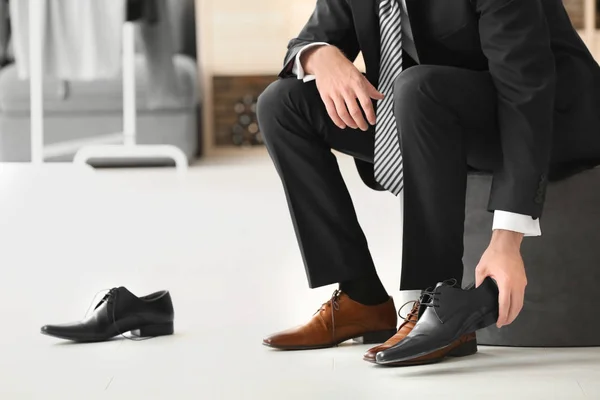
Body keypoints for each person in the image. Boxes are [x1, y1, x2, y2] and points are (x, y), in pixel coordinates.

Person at [256, 0, 600, 361]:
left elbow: (525, 93)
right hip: (433, 115)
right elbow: (308, 40)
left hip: (554, 114)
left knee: (418, 87)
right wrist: (319, 55)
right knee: (282, 104)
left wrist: (506, 240)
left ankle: (440, 305)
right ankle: (362, 298)